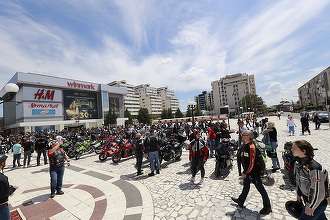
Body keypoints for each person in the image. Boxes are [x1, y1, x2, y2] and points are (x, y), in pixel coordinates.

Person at [231, 130, 272, 215]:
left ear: (249, 136)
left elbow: (252, 162)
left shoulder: (251, 147)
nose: (242, 136)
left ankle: (267, 207)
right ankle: (241, 200)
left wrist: (246, 172)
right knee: (246, 186)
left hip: (254, 172)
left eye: (244, 135)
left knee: (261, 189)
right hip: (249, 172)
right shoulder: (246, 145)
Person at [291, 140, 328, 219]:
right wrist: (299, 194)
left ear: (303, 151)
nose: (292, 149)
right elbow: (299, 180)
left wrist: (311, 206)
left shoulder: (315, 168)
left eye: (294, 148)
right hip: (307, 199)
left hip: (317, 203)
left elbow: (318, 190)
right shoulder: (299, 163)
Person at [0, 155, 19, 219]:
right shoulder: (3, 178)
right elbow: (5, 193)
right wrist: (13, 188)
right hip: (2, 205)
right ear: (2, 163)